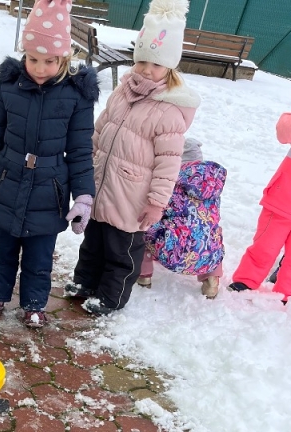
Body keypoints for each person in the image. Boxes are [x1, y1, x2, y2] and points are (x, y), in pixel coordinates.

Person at [0, 0, 98, 329]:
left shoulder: (76, 96)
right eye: (33, 58)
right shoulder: (8, 87)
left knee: (39, 256)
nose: (39, 67)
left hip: (49, 189)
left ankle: (34, 304)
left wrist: (83, 197)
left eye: (49, 61)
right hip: (8, 181)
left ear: (63, 57)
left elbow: (80, 151)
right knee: (2, 249)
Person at [64, 0, 200, 316]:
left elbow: (168, 164)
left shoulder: (170, 110)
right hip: (103, 183)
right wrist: (87, 165)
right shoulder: (122, 91)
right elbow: (101, 129)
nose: (146, 70)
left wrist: (156, 203)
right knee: (93, 241)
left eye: (155, 65)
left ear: (169, 68)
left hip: (133, 195)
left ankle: (111, 297)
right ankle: (85, 282)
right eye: (142, 62)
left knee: (121, 248)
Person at [138, 137, 227, 298]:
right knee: (212, 232)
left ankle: (144, 276)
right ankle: (211, 281)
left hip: (176, 254)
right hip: (208, 256)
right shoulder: (211, 184)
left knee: (146, 222)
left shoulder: (171, 183)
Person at [228, 108, 291, 301]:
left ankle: (289, 292)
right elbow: (284, 132)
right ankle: (247, 279)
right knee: (265, 245)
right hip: (283, 197)